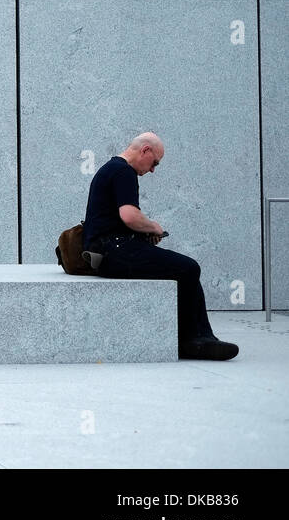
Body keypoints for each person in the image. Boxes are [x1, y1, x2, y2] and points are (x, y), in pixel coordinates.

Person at [83, 132, 238, 360]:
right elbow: (128, 215)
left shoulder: (110, 169)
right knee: (188, 268)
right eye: (155, 162)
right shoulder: (124, 171)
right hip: (114, 252)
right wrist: (153, 227)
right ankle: (193, 340)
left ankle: (199, 337)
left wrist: (143, 234)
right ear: (145, 150)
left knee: (184, 269)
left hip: (107, 251)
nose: (153, 169)